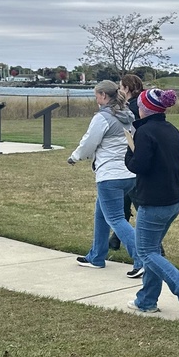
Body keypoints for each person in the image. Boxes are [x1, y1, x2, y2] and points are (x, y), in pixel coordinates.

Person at [124, 88, 179, 317]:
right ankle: (146, 300)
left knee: (145, 252)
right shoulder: (172, 130)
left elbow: (138, 165)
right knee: (153, 250)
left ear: (144, 108)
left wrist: (129, 150)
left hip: (153, 202)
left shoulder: (144, 133)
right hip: (173, 200)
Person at [68, 80, 141, 277]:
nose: (95, 98)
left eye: (96, 95)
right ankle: (97, 256)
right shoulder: (127, 114)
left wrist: (74, 157)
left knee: (116, 218)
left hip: (111, 175)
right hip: (129, 174)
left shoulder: (102, 117)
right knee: (101, 214)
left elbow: (89, 142)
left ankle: (142, 259)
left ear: (103, 96)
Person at [109, 73, 146, 251]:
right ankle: (116, 238)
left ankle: (155, 245)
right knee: (126, 199)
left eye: (121, 87)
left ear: (127, 89)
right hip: (137, 158)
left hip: (131, 158)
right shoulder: (143, 104)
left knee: (136, 201)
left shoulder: (130, 108)